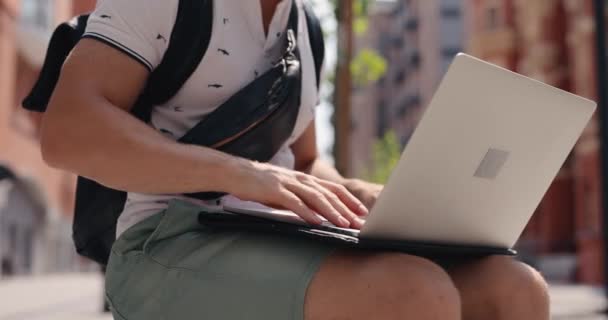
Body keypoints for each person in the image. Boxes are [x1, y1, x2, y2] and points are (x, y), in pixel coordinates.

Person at [40, 0, 549, 319]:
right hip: (163, 242)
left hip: (279, 235)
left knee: (514, 288)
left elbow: (305, 163)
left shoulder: (306, 27)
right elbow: (67, 132)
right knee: (411, 293)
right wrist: (238, 173)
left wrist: (370, 197)